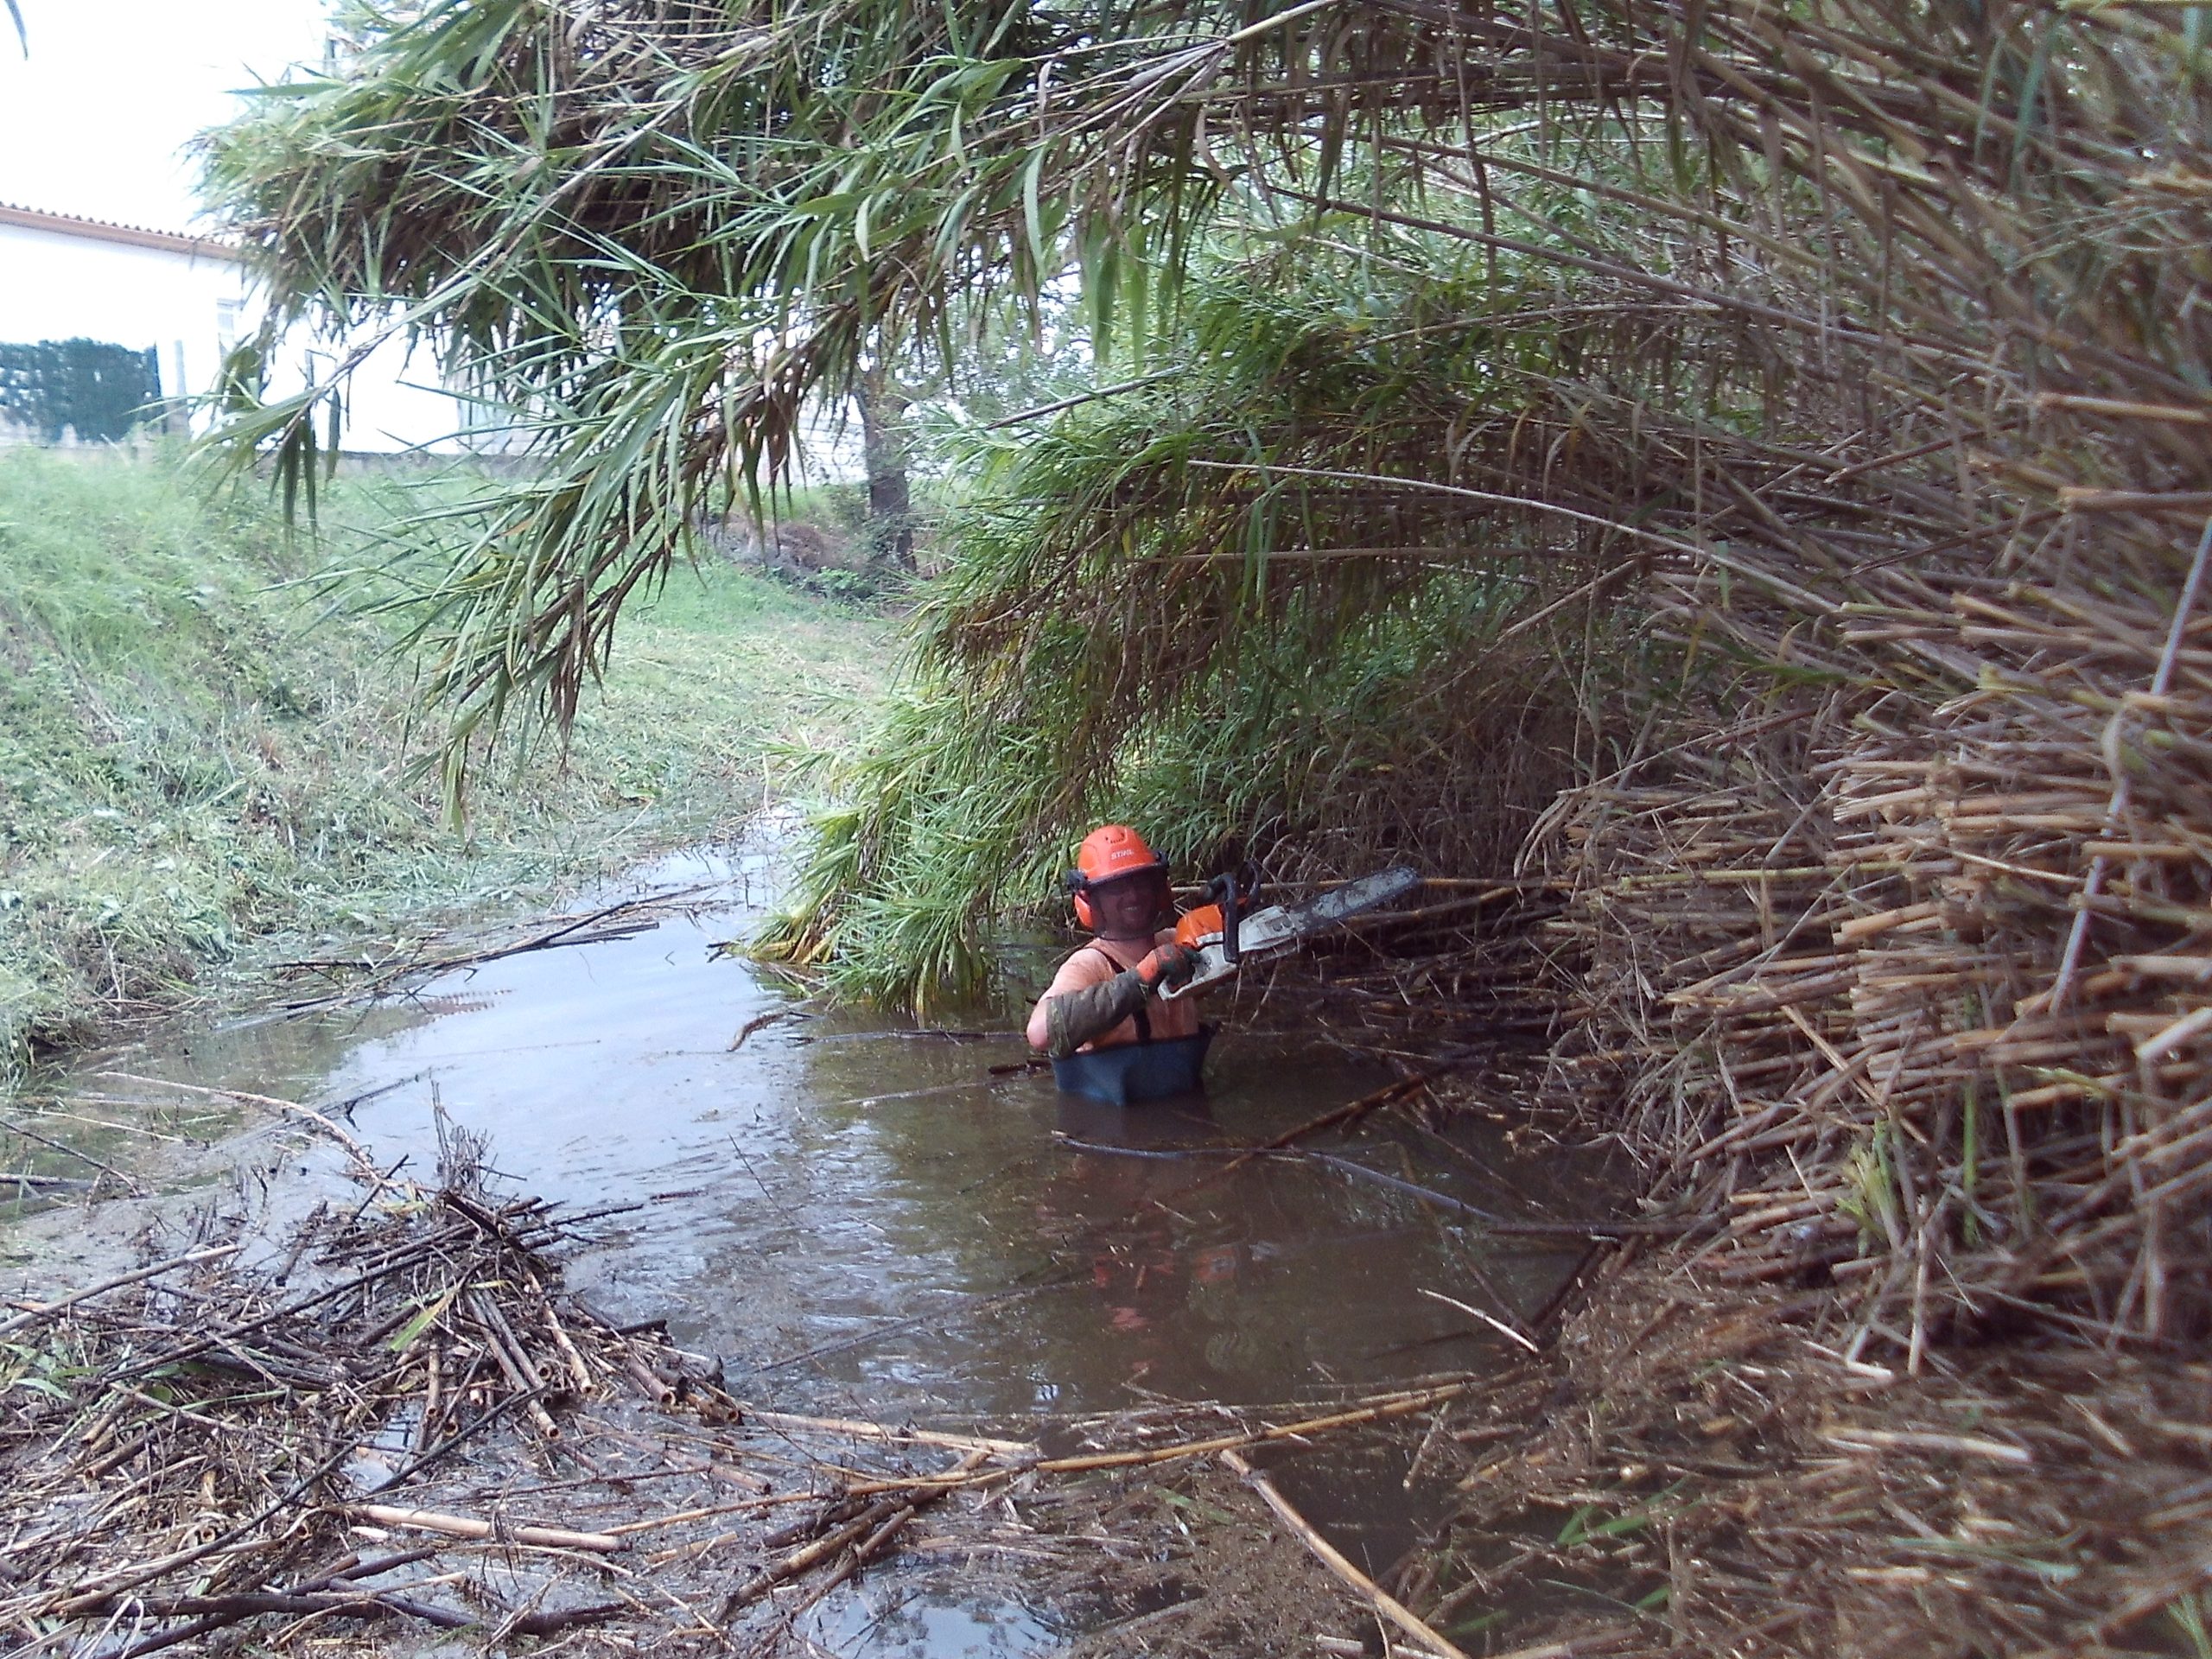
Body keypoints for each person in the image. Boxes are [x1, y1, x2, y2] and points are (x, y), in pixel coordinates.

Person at [1027, 825, 1212, 1104]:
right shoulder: (1089, 964)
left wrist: (1227, 919)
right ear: (1089, 900)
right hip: (1114, 1118)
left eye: (1140, 882)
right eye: (1116, 888)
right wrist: (1142, 977)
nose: (1133, 895)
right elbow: (1040, 1033)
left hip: (1187, 1102)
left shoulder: (1178, 940)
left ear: (1158, 886)